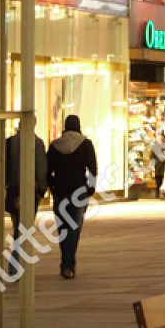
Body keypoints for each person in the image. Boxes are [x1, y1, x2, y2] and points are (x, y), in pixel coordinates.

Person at [46, 115, 98, 279]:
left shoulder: (55, 146)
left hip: (60, 190)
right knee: (74, 228)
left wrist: (52, 186)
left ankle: (65, 263)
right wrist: (91, 187)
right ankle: (69, 264)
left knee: (62, 229)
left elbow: (47, 170)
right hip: (79, 191)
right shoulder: (85, 144)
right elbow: (93, 167)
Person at [5, 124, 47, 243]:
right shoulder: (37, 143)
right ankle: (17, 259)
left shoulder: (9, 142)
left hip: (13, 190)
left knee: (17, 225)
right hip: (31, 190)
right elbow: (41, 168)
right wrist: (41, 188)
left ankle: (17, 257)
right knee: (26, 228)